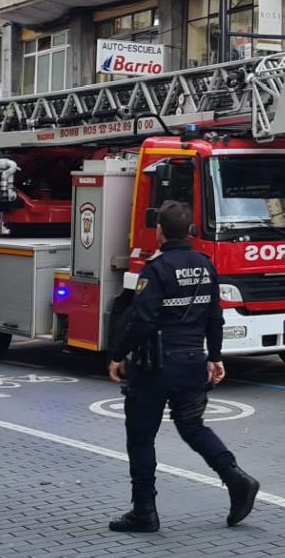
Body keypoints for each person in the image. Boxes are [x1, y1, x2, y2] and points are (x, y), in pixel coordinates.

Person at [106, 201, 260, 534]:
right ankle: (236, 479)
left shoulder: (156, 268)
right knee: (193, 427)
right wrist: (215, 356)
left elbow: (143, 320)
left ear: (159, 230)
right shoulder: (205, 265)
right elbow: (214, 315)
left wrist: (118, 354)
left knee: (141, 437)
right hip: (193, 362)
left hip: (156, 367)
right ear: (190, 230)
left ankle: (144, 511)